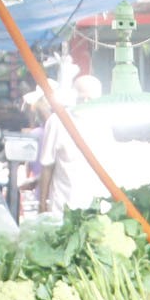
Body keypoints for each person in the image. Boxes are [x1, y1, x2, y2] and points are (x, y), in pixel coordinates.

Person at [37, 75, 112, 214]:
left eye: (90, 99)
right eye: (81, 98)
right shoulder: (57, 121)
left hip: (97, 209)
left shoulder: (105, 123)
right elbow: (47, 166)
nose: (85, 102)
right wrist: (42, 205)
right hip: (63, 209)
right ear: (73, 96)